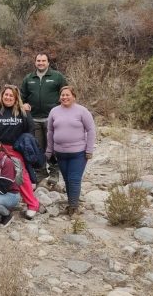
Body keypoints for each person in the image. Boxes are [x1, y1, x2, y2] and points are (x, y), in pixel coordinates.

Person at [0, 85, 41, 219]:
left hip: (16, 149)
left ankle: (32, 204)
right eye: (6, 95)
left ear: (16, 98)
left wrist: (25, 147)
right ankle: (0, 204)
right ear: (2, 96)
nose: (8, 97)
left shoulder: (23, 112)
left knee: (21, 176)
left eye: (11, 95)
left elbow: (30, 131)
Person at [45, 86, 96, 215]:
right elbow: (50, 131)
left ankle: (74, 207)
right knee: (67, 179)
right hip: (60, 153)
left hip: (78, 153)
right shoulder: (54, 111)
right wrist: (49, 150)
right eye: (62, 95)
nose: (65, 97)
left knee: (74, 178)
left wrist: (89, 150)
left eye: (68, 95)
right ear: (59, 97)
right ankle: (71, 202)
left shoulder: (82, 111)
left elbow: (91, 130)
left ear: (74, 97)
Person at [20, 52, 67, 187]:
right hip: (34, 118)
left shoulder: (57, 76)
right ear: (35, 62)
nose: (41, 63)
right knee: (38, 147)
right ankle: (40, 172)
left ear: (48, 62)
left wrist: (60, 107)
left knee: (52, 146)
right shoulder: (29, 78)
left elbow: (65, 92)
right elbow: (22, 96)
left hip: (52, 118)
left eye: (43, 61)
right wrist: (23, 104)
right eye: (38, 61)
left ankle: (54, 172)